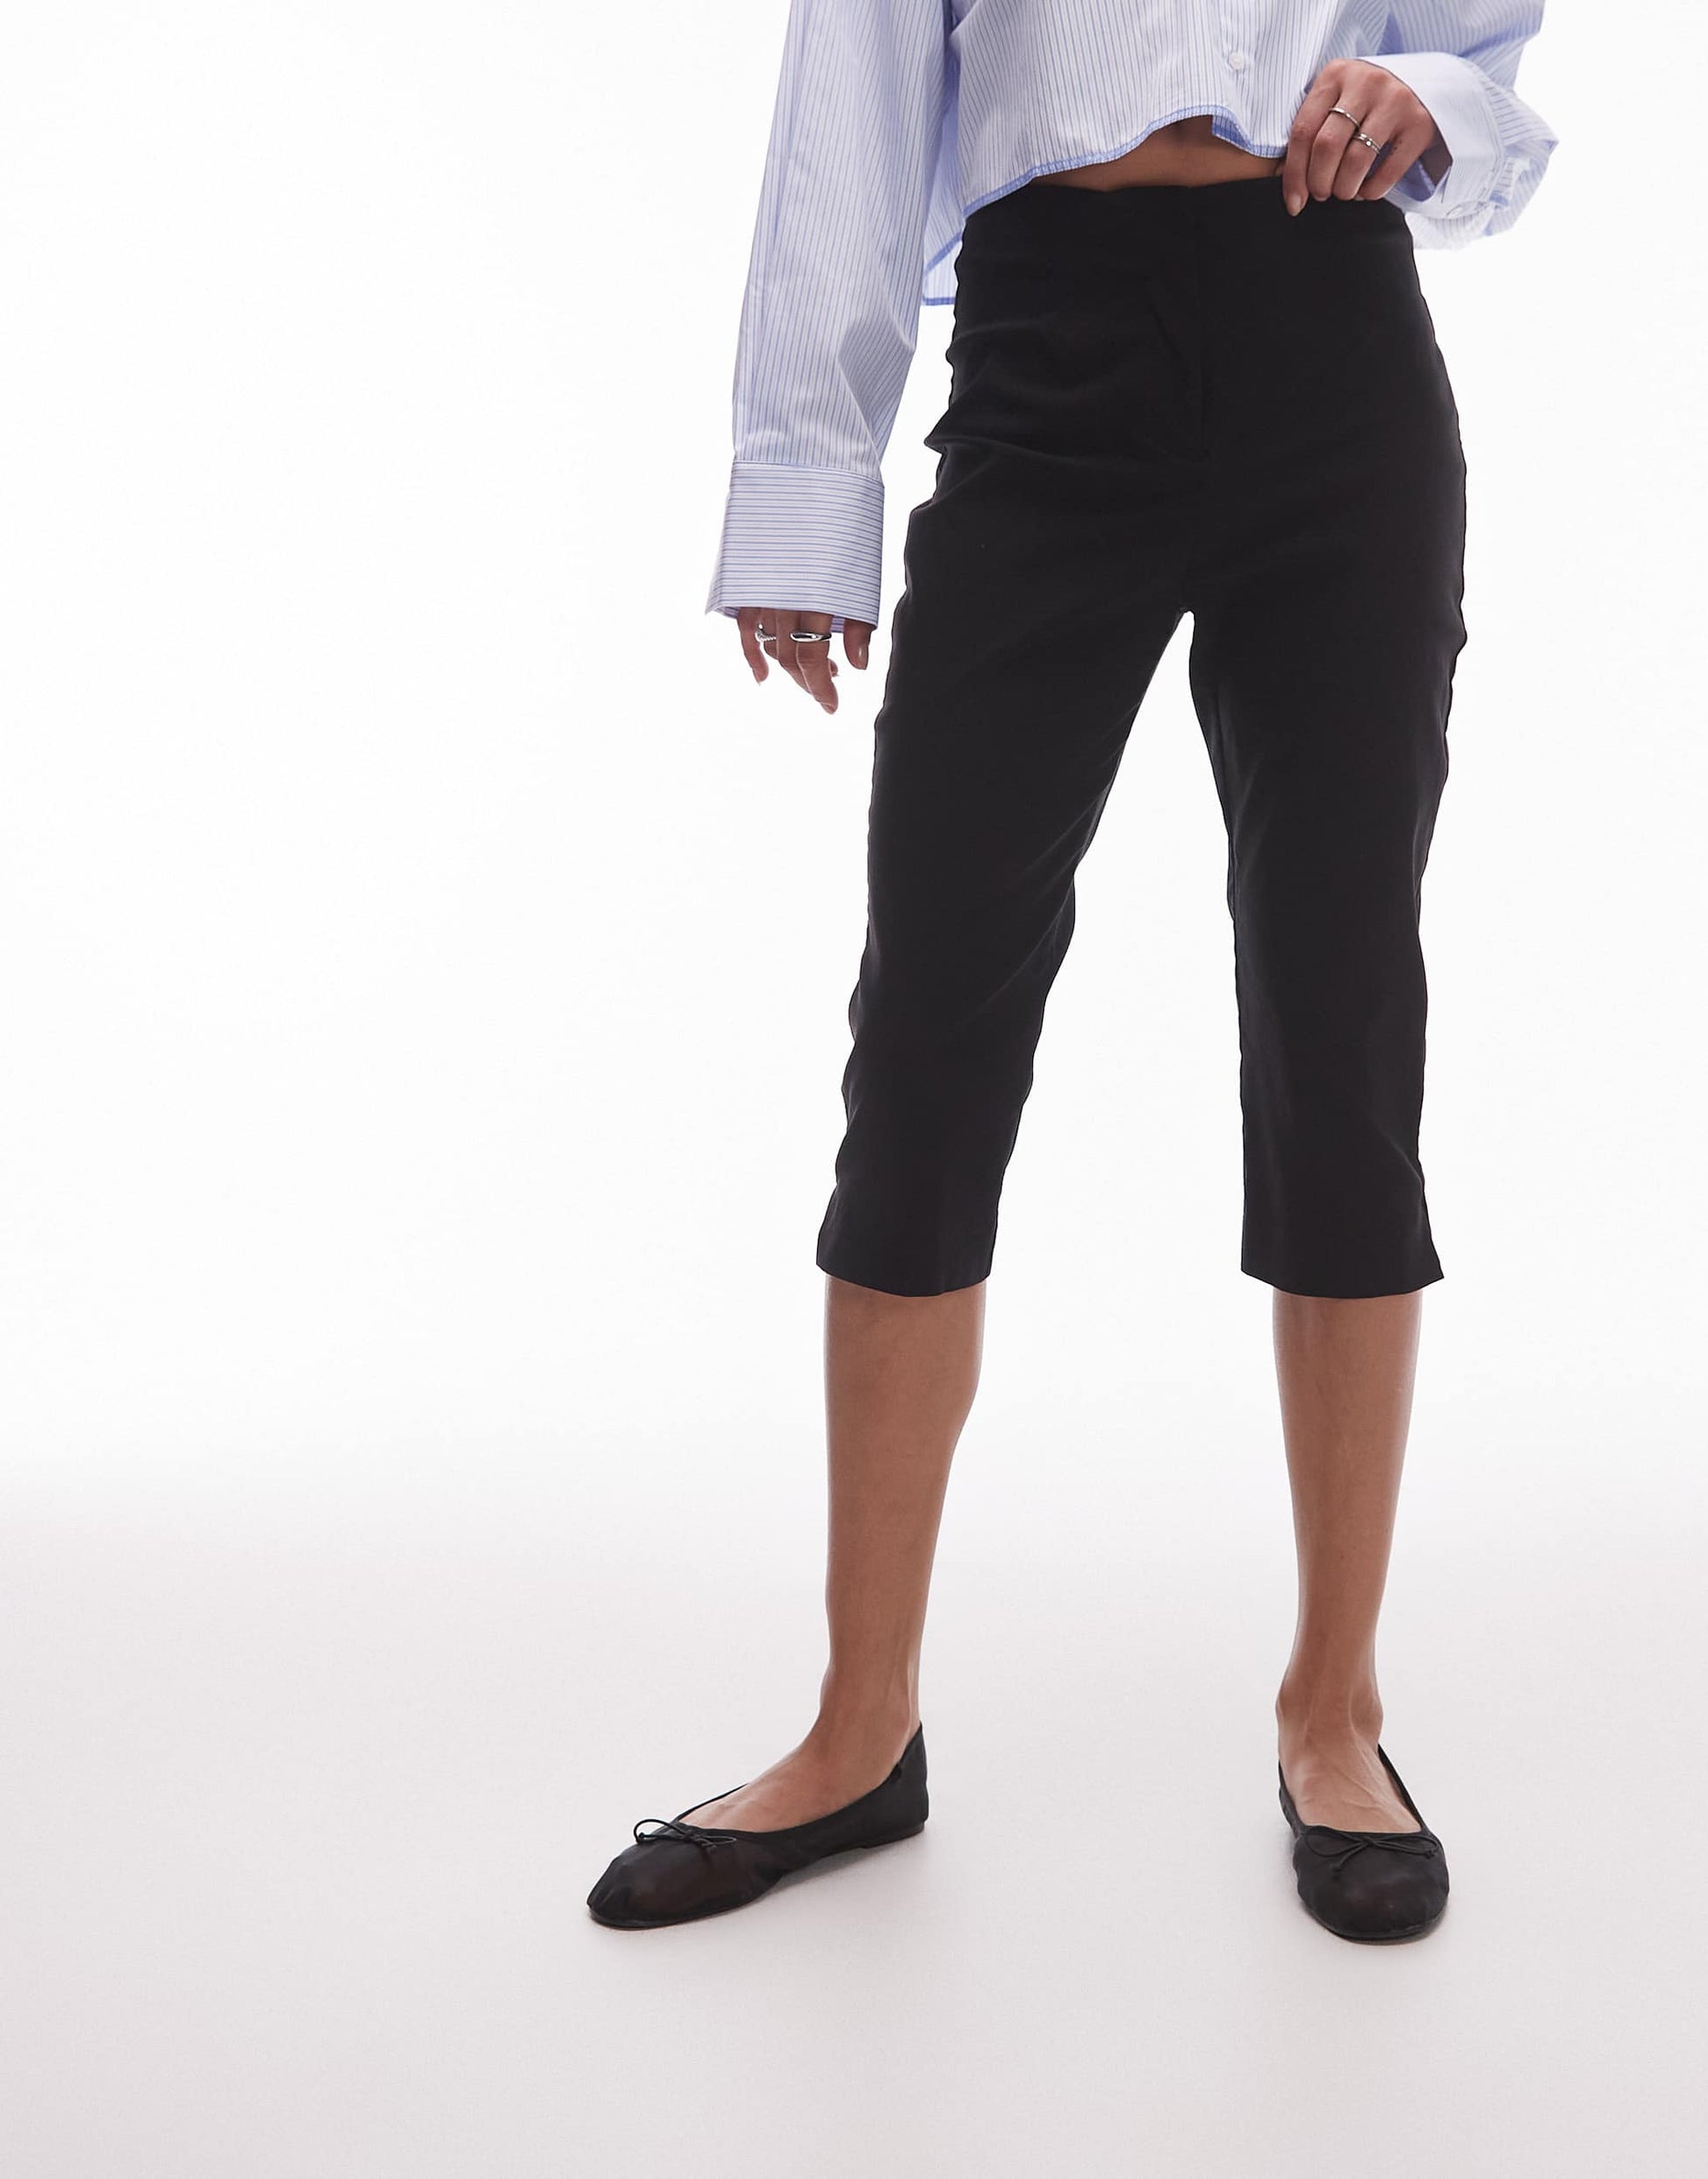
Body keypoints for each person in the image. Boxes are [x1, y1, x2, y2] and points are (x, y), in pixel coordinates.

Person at [586, 1, 1558, 1942]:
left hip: (1332, 350)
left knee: (1339, 1022)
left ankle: (1334, 1712)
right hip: (1047, 360)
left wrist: (1428, 98)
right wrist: (805, 479)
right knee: (929, 1029)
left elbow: (1479, 63)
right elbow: (850, 121)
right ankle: (859, 1729)